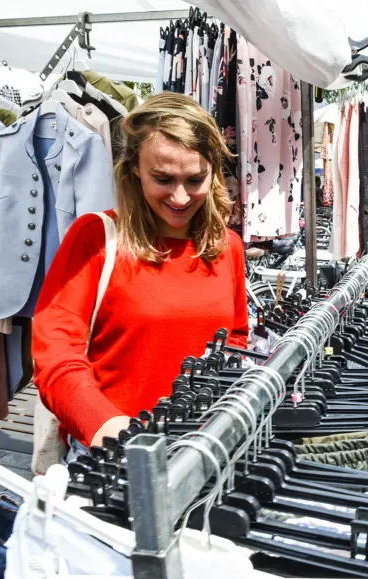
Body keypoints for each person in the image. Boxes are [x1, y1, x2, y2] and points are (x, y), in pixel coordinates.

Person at [32, 93, 249, 451]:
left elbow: (235, 338)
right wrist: (102, 423)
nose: (180, 198)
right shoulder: (95, 239)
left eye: (195, 180)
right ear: (134, 167)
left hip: (205, 447)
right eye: (163, 179)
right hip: (114, 451)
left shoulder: (228, 246)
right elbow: (55, 352)